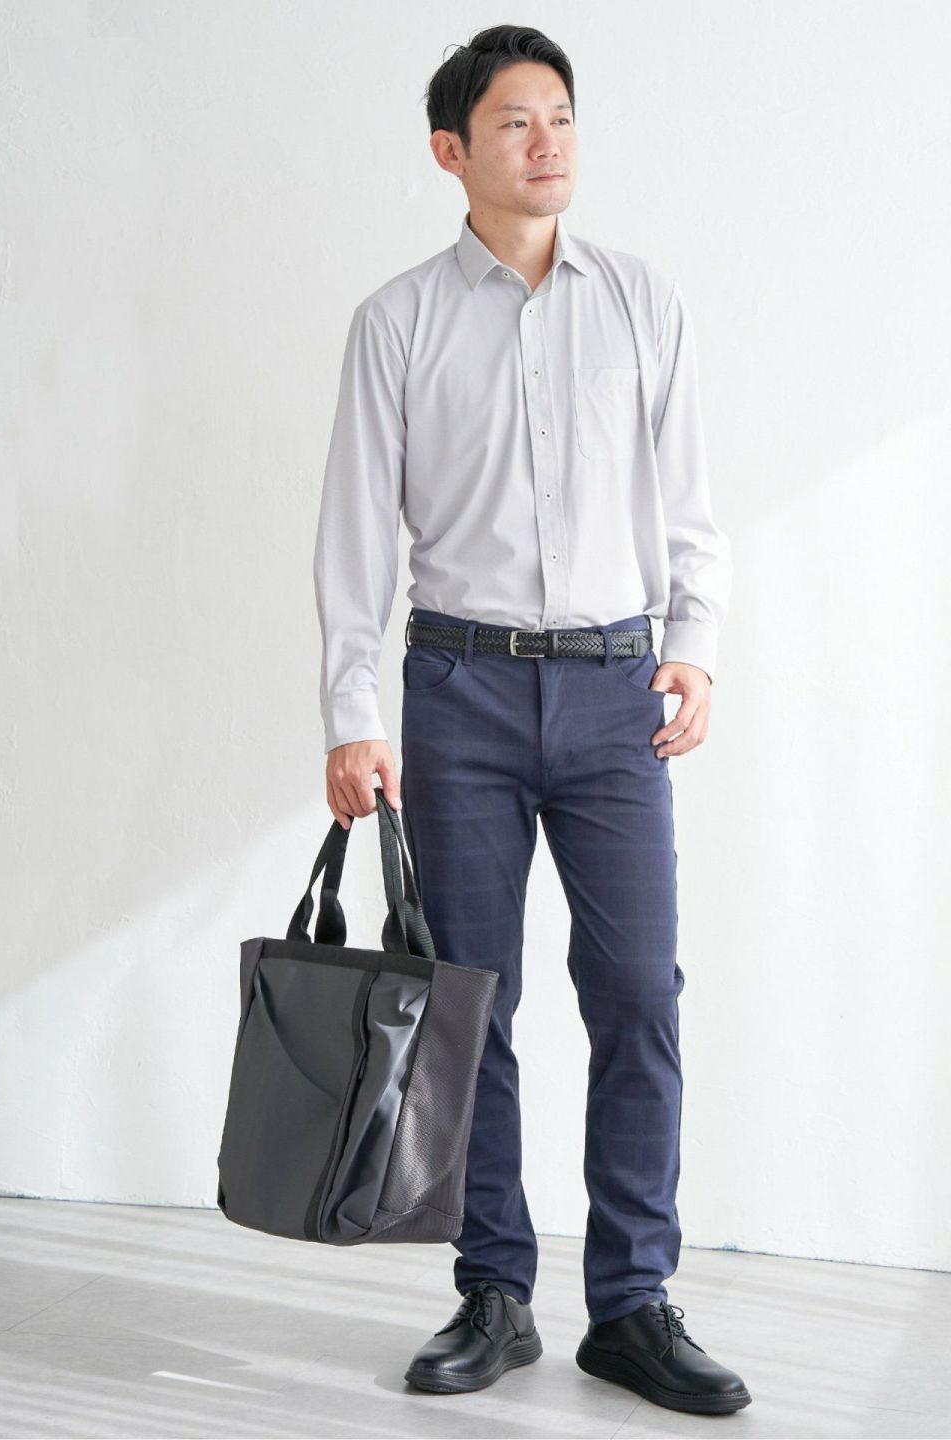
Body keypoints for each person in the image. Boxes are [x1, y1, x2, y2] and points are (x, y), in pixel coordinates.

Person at [312, 23, 749, 1417]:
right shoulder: (397, 322)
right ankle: (493, 1293)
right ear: (452, 151)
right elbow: (354, 537)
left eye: (560, 115)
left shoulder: (642, 303)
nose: (547, 141)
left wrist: (697, 648)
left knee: (639, 996)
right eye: (515, 122)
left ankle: (632, 1305)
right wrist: (353, 712)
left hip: (619, 691)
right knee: (469, 1005)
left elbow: (691, 503)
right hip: (462, 691)